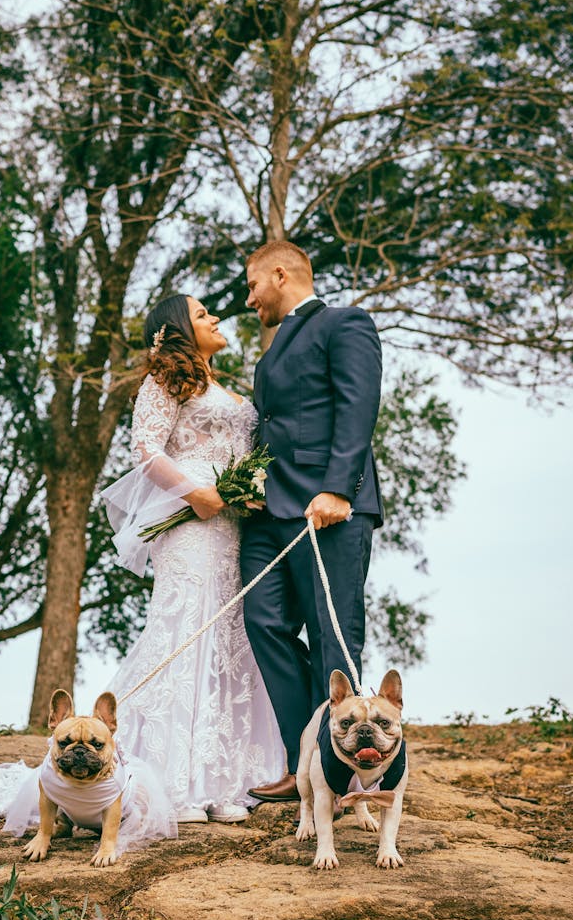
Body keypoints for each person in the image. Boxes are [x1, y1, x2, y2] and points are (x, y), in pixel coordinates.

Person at [102, 293, 284, 824]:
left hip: (233, 527)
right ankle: (170, 781)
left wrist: (247, 490)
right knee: (186, 632)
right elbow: (147, 449)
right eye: (204, 315)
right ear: (180, 328)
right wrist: (194, 493)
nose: (217, 318)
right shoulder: (164, 381)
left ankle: (223, 781)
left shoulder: (227, 386)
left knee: (231, 639)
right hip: (191, 525)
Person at [240, 241, 383, 803]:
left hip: (331, 510)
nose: (249, 299)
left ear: (280, 274)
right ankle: (305, 757)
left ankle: (341, 773)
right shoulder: (272, 350)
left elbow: (358, 404)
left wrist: (338, 489)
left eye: (253, 285)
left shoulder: (346, 323)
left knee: (332, 635)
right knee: (263, 621)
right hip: (269, 514)